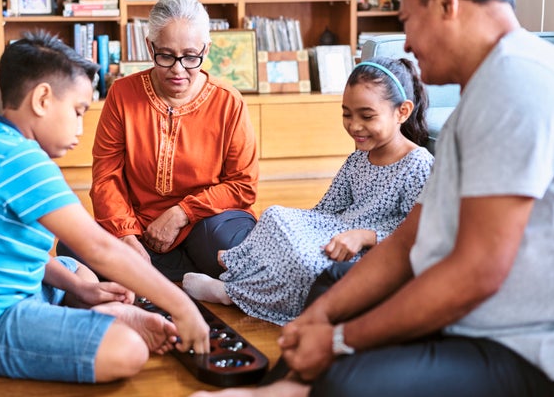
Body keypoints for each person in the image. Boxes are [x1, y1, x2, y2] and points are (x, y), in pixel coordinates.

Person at [186, 0, 554, 397]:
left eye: (407, 20)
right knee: (331, 287)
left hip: (527, 351)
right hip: (464, 319)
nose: (406, 41)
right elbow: (410, 239)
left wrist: (343, 339)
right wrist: (321, 320)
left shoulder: (518, 83)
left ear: (445, 0)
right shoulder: (485, 92)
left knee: (348, 396)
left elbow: (477, 272)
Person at [0, 31, 210, 385]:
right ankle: (107, 320)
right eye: (78, 111)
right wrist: (181, 305)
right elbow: (99, 247)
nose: (81, 128)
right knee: (127, 350)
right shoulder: (21, 161)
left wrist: (81, 290)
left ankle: (89, 314)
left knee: (79, 275)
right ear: (42, 99)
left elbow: (17, 252)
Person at [182, 57, 434, 326]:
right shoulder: (360, 158)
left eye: (367, 116)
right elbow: (325, 210)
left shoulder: (417, 165)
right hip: (335, 235)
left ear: (402, 112)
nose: (354, 126)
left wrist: (366, 236)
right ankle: (243, 265)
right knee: (276, 216)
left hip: (369, 253)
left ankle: (232, 293)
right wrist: (295, 231)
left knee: (305, 266)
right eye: (347, 114)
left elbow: (420, 235)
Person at [57, 0, 258, 281]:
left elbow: (243, 185)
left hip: (206, 222)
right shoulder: (122, 94)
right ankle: (184, 273)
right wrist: (126, 236)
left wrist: (181, 213)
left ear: (207, 49)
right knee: (71, 247)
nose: (178, 69)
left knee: (230, 246)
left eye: (190, 57)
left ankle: (153, 273)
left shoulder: (229, 102)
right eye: (166, 55)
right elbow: (106, 177)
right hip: (138, 227)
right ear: (150, 47)